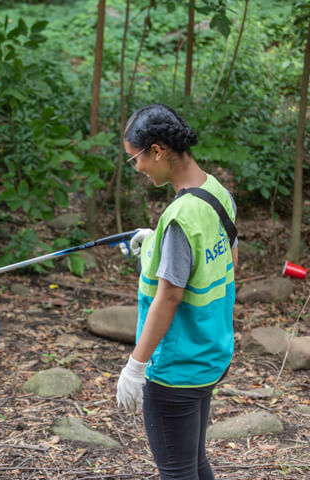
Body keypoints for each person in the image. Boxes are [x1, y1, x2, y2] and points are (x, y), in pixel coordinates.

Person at [115, 104, 238, 480]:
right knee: (193, 464)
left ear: (157, 150)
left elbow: (169, 297)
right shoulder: (217, 193)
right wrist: (156, 245)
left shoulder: (180, 218)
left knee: (177, 471)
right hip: (210, 353)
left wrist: (136, 367)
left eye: (135, 158)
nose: (137, 168)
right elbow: (226, 260)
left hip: (176, 368)